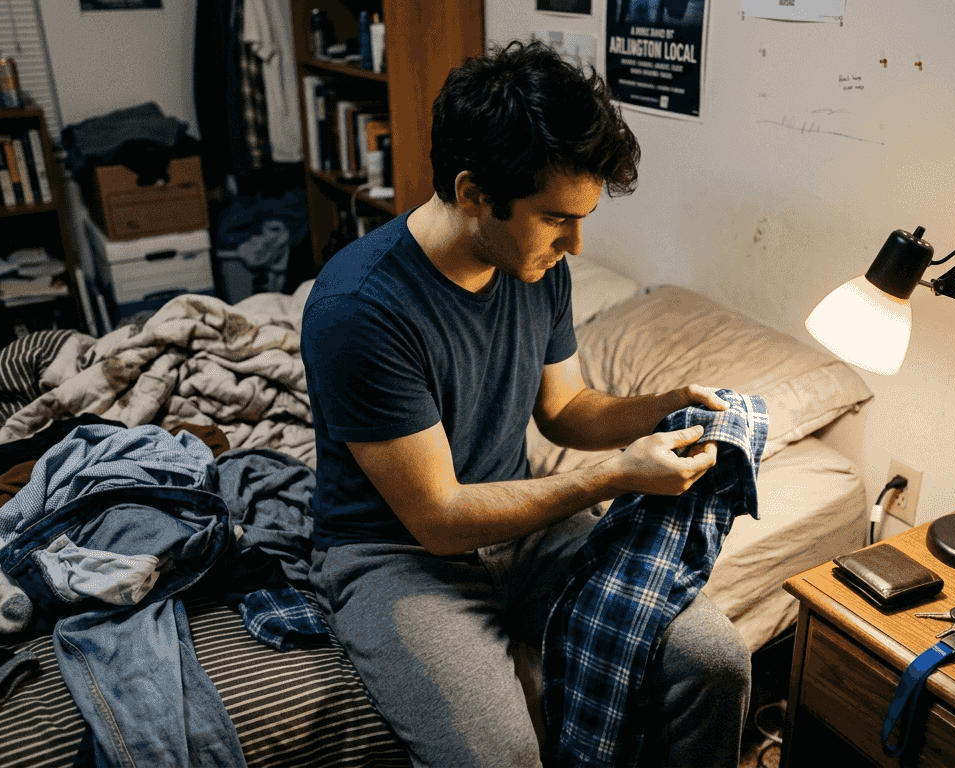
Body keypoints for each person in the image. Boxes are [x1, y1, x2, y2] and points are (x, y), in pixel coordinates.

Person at [301, 39, 751, 768]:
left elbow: (565, 410)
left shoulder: (538, 265)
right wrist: (612, 477)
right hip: (398, 554)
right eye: (555, 218)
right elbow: (440, 519)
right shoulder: (359, 307)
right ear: (474, 193)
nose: (576, 242)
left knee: (714, 655)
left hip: (528, 530)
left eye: (583, 218)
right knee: (501, 757)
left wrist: (666, 406)